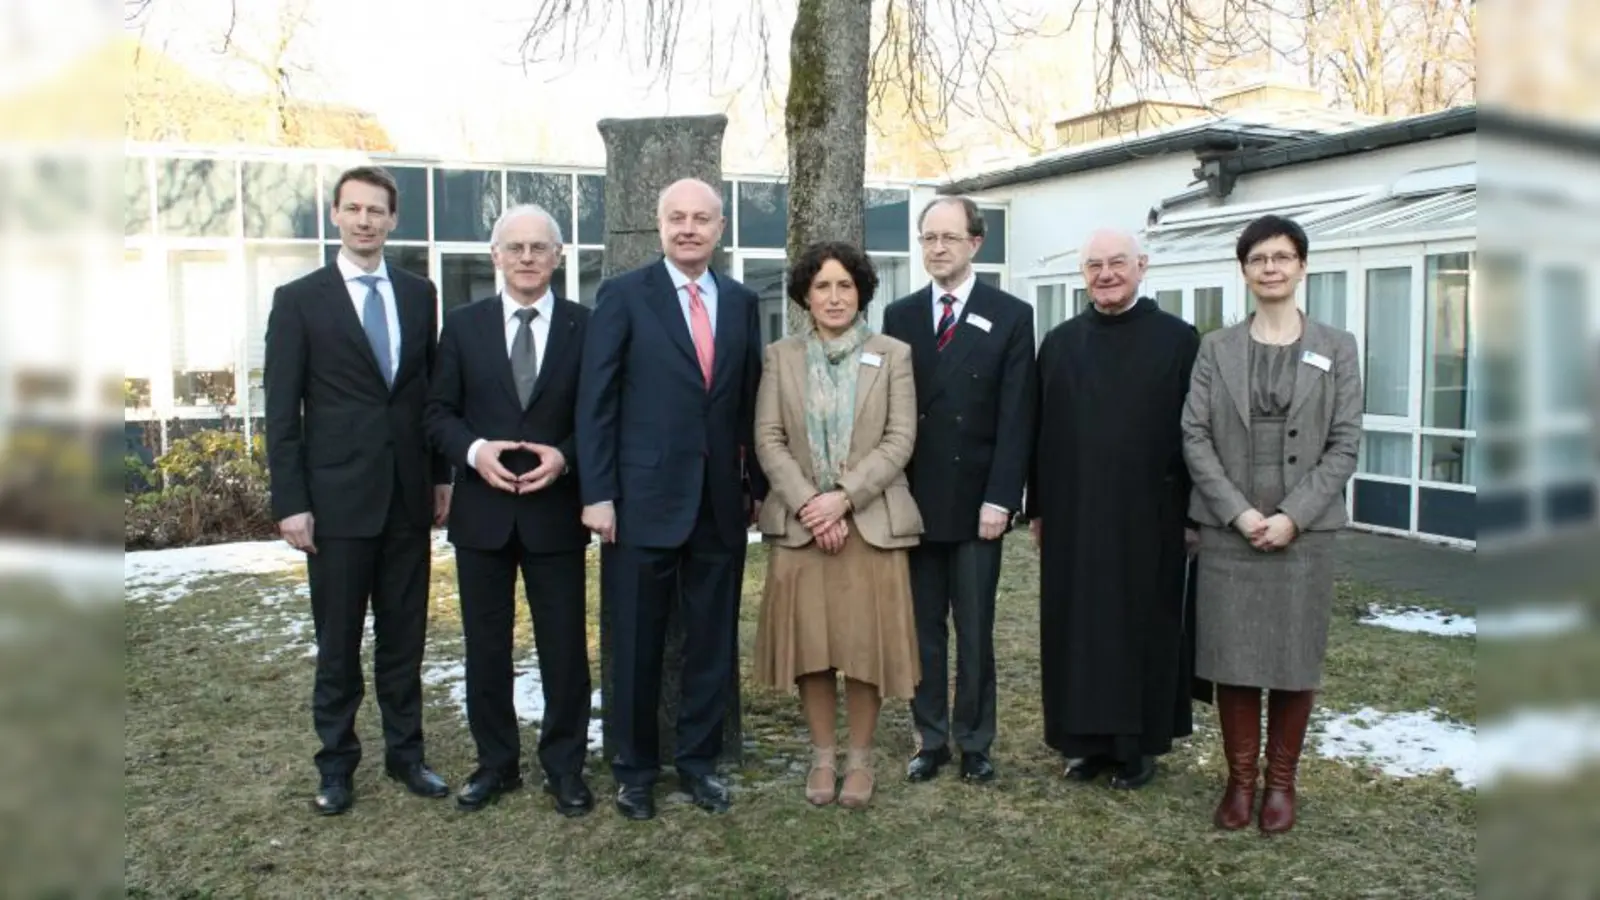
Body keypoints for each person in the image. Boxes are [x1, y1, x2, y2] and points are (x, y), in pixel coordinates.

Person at [575, 177, 767, 821]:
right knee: (636, 643)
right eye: (677, 218)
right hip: (639, 502)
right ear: (659, 226)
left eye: (701, 219)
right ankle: (634, 771)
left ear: (720, 229)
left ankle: (698, 763)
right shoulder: (624, 295)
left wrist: (756, 488)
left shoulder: (740, 302)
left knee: (710, 642)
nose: (689, 228)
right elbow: (597, 401)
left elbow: (747, 404)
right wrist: (599, 493)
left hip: (718, 505)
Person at [263, 165, 452, 815]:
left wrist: (440, 476)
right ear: (336, 216)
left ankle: (407, 756)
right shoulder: (299, 300)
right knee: (339, 643)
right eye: (354, 208)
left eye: (377, 210)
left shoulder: (418, 294)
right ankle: (336, 764)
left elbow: (428, 395)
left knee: (405, 638)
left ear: (393, 219)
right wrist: (291, 502)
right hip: (336, 502)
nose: (365, 220)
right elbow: (282, 412)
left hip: (406, 498)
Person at [1181, 214, 1362, 834]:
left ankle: (1281, 784)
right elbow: (1194, 435)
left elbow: (1344, 443)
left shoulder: (1338, 347)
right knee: (1233, 659)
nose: (1271, 268)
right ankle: (1240, 781)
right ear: (1244, 271)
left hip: (1304, 536)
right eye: (1258, 259)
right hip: (1228, 530)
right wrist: (1238, 511)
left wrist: (1293, 516)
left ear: (1302, 266)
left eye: (1282, 257)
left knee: (1293, 659)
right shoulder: (1216, 348)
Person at [424, 204, 595, 816]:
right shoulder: (462, 326)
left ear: (558, 257)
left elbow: (600, 415)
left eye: (539, 247)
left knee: (565, 650)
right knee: (486, 649)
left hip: (556, 513)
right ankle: (495, 764)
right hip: (483, 514)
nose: (527, 257)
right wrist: (475, 452)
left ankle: (564, 768)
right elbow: (437, 412)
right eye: (515, 247)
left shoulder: (585, 326)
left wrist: (566, 457)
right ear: (495, 256)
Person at [1025, 228, 1200, 791]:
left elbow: (1196, 434)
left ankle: (1136, 746)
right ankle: (1081, 743)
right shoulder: (1059, 343)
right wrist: (1039, 509)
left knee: (1140, 626)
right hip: (1073, 515)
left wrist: (1193, 513)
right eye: (1094, 265)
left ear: (1141, 266)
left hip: (1151, 514)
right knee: (1077, 628)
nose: (1106, 274)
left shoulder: (1178, 340)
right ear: (1083, 275)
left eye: (1117, 263)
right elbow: (1039, 432)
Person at [751, 241, 922, 809]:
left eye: (844, 285)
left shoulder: (893, 354)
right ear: (805, 295)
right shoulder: (780, 357)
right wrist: (811, 504)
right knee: (814, 646)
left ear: (861, 292)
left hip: (869, 522)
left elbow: (900, 439)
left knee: (864, 645)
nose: (833, 297)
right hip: (802, 526)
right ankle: (823, 756)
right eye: (822, 286)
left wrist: (843, 500)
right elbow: (768, 439)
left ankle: (861, 760)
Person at [881, 196, 1036, 783]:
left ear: (976, 243)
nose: (938, 248)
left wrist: (1002, 498)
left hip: (978, 504)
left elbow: (1017, 416)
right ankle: (930, 739)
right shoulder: (900, 315)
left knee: (974, 631)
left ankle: (975, 741)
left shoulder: (1010, 314)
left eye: (949, 237)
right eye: (929, 238)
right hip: (916, 501)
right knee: (922, 628)